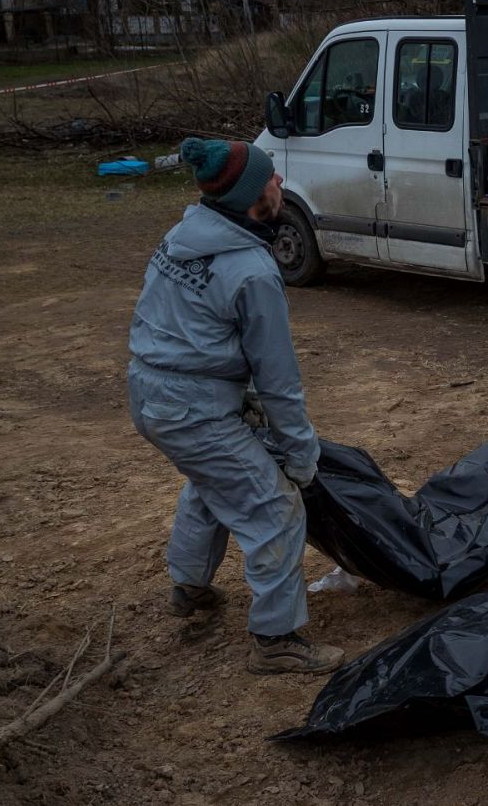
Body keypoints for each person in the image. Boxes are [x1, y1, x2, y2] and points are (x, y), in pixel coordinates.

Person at [126, 137, 343, 675]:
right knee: (274, 506)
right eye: (272, 179)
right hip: (191, 407)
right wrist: (300, 456)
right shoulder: (250, 269)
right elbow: (279, 378)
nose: (280, 185)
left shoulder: (183, 237)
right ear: (253, 197)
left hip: (151, 391)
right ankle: (276, 639)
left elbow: (179, 327)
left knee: (215, 479)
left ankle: (191, 588)